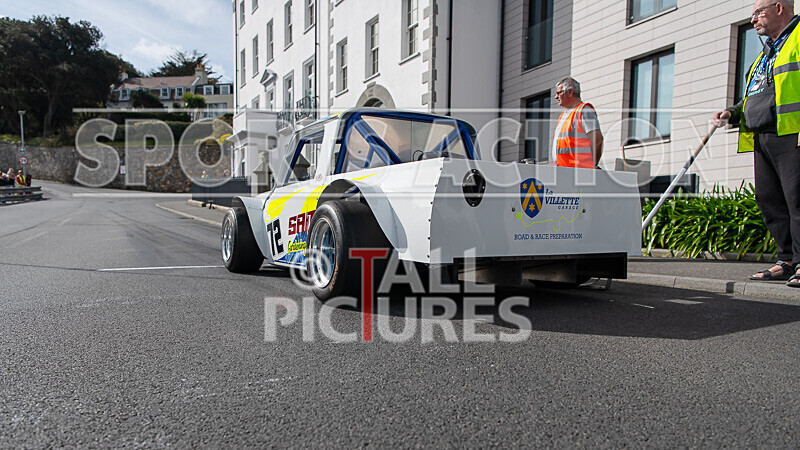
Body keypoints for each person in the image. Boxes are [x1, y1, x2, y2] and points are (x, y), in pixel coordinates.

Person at [713, 0, 800, 287]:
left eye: (757, 13)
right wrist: (733, 112)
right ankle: (786, 261)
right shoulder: (765, 53)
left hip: (792, 133)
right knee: (770, 201)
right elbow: (755, 94)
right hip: (763, 136)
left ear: (779, 8)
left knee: (797, 199)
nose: (753, 21)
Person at [551, 77, 603, 169]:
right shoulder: (563, 116)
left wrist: (591, 166)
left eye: (559, 93)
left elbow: (597, 140)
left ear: (570, 92)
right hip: (563, 170)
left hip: (578, 171)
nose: (556, 97)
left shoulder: (584, 111)